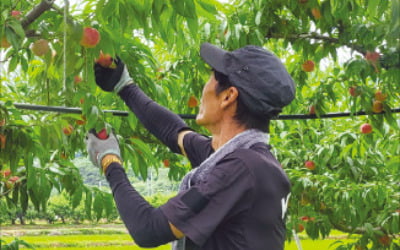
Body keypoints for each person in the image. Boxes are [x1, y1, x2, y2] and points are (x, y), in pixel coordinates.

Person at [85, 43, 296, 250]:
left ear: (228, 96)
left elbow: (148, 228)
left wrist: (109, 159)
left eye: (211, 77)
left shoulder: (240, 169)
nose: (205, 87)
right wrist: (124, 85)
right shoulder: (249, 160)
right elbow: (174, 132)